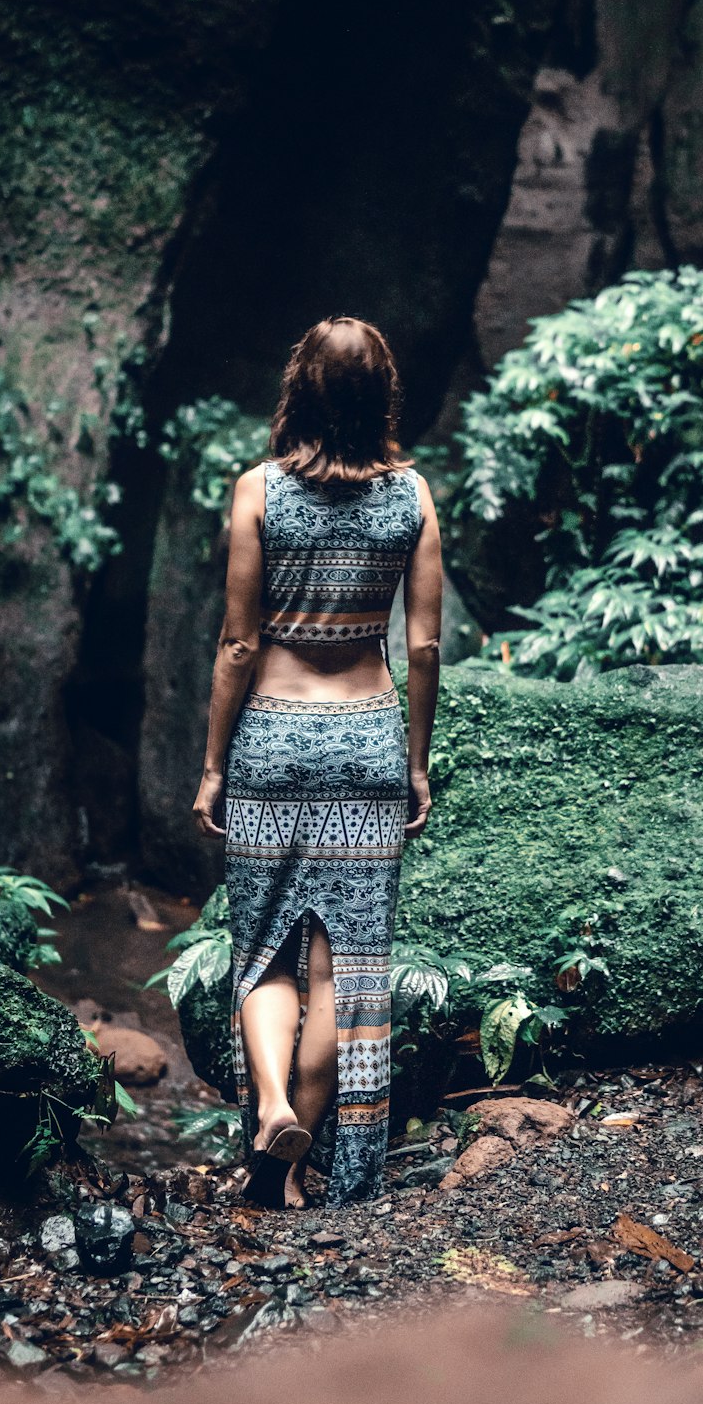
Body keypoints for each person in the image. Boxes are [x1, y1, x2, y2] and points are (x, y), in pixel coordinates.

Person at [190, 316, 443, 1209]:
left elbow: (235, 644)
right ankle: (288, 1169)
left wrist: (216, 764)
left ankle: (267, 1111)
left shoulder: (257, 490)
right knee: (347, 969)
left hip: (274, 742)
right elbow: (421, 650)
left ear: (299, 387)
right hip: (368, 740)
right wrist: (414, 763)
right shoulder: (412, 497)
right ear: (382, 394)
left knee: (264, 954)